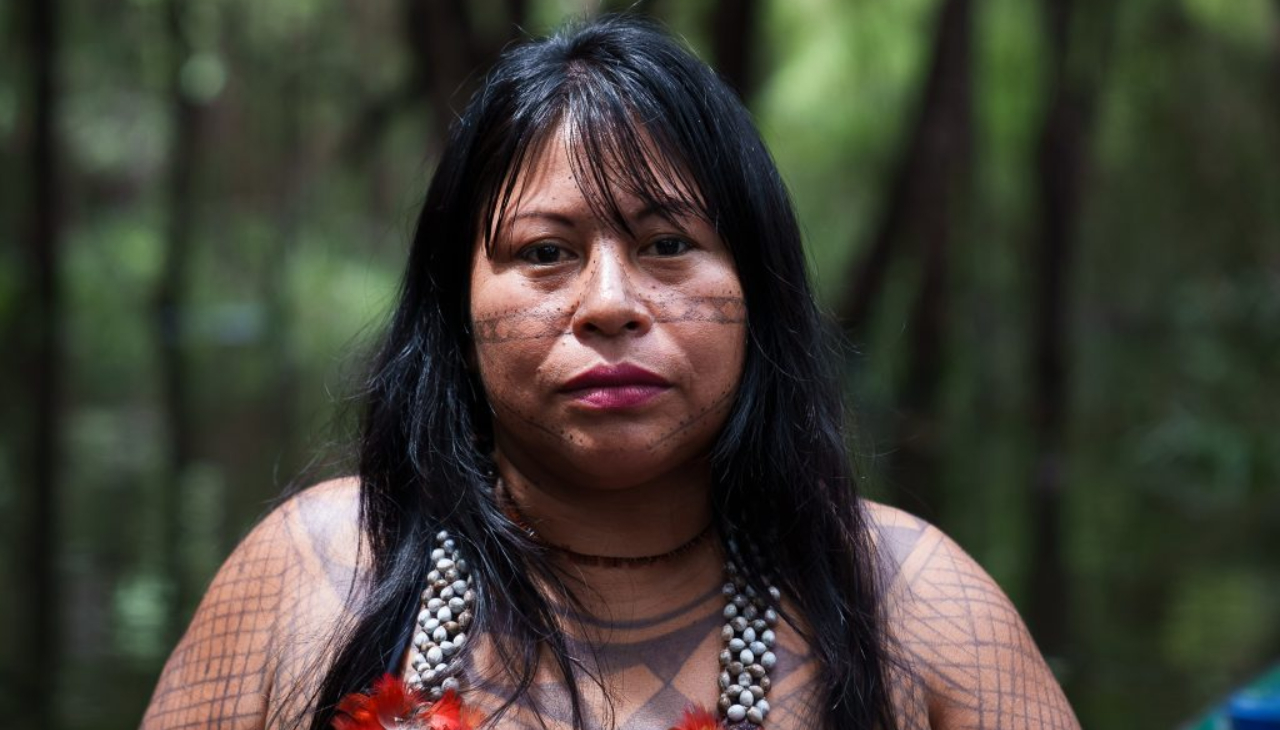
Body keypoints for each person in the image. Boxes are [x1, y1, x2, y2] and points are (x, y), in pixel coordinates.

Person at [141, 15, 1079, 730]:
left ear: (760, 288)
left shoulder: (915, 605)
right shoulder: (316, 572)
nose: (608, 302)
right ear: (456, 307)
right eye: (544, 253)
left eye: (669, 243)